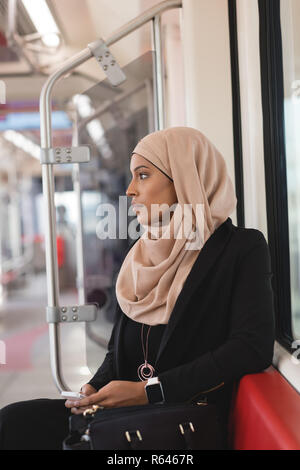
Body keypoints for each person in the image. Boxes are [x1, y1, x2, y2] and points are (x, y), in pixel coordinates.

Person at [0, 127, 275, 450]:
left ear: (186, 179)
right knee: (14, 421)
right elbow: (121, 348)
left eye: (143, 176)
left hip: (179, 423)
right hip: (124, 416)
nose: (130, 190)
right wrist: (94, 386)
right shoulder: (141, 251)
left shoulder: (240, 248)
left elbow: (251, 348)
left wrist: (150, 391)